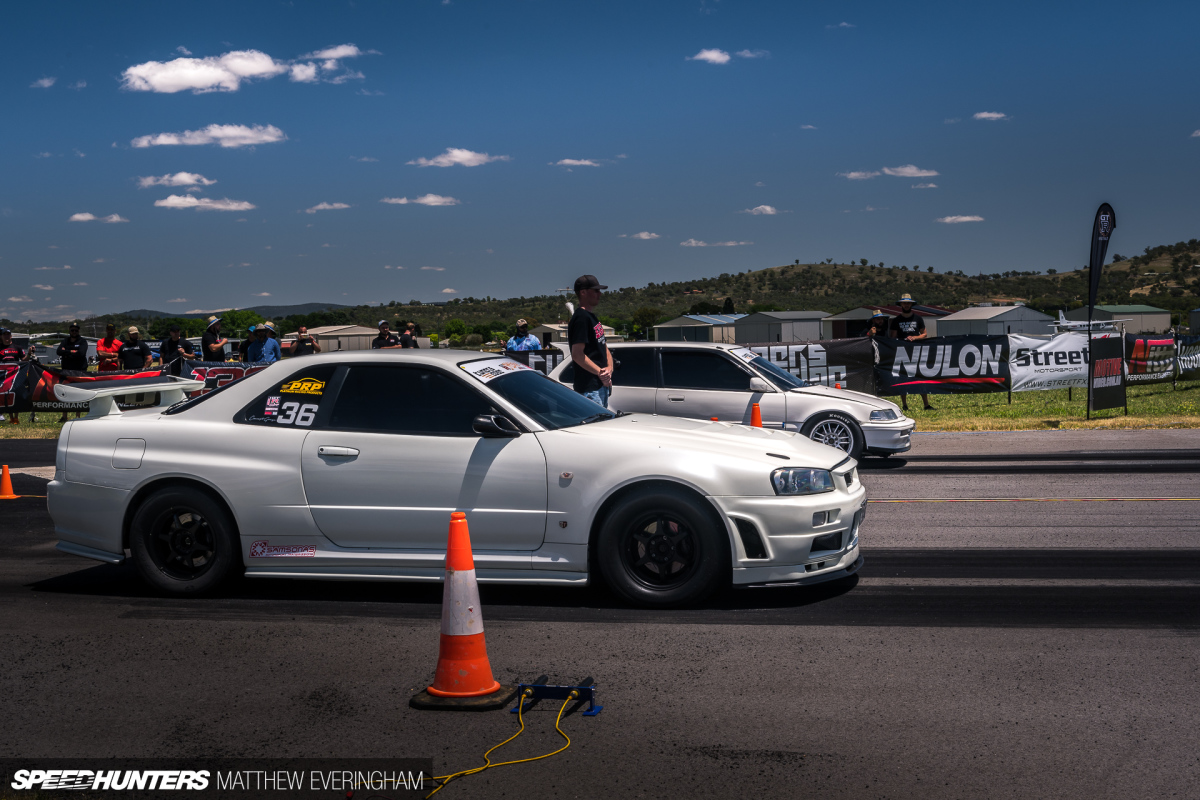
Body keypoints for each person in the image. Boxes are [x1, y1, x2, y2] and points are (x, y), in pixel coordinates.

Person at [568, 274, 612, 407]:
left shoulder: (591, 317)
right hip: (590, 389)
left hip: (600, 386)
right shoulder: (581, 318)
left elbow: (603, 346)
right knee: (596, 426)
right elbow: (577, 354)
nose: (600, 294)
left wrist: (609, 369)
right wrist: (601, 373)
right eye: (596, 290)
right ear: (583, 292)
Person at [889, 294, 933, 411]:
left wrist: (914, 338)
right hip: (901, 353)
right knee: (903, 378)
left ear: (911, 304)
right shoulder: (896, 320)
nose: (906, 305)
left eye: (908, 303)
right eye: (904, 303)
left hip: (916, 351)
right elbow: (892, 338)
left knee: (920, 376)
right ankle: (904, 405)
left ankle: (926, 405)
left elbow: (924, 334)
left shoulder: (918, 318)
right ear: (901, 304)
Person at [55, 324, 90, 422]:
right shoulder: (65, 341)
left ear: (78, 331)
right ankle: (64, 416)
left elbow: (81, 353)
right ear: (69, 331)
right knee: (64, 392)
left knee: (79, 393)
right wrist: (73, 352)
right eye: (72, 330)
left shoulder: (82, 341)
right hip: (66, 370)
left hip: (79, 371)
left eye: (76, 330)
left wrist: (66, 352)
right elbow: (58, 351)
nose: (74, 332)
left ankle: (78, 416)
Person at [1, 328, 31, 424]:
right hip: (4, 376)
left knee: (16, 394)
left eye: (8, 334)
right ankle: (10, 418)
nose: (6, 336)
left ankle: (16, 418)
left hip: (16, 375)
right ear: (1, 336)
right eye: (4, 334)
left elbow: (24, 360)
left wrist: (29, 353)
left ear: (11, 336)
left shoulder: (17, 347)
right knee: (7, 394)